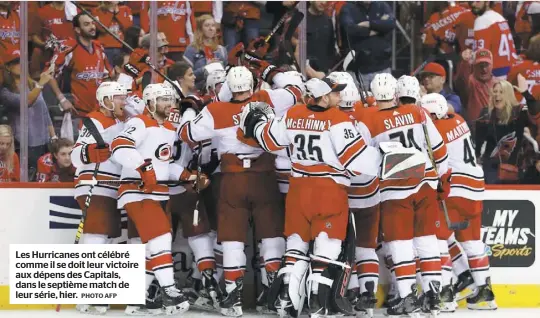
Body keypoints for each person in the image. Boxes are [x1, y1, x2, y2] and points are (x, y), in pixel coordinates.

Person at [178, 65, 303, 317]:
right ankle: (275, 295)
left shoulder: (215, 110)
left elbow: (186, 134)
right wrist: (270, 70)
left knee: (233, 238)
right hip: (265, 177)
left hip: (232, 179)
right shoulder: (267, 99)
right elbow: (295, 89)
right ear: (252, 85)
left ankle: (232, 298)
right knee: (272, 235)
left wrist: (190, 108)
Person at [354, 73, 450, 316]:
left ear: (375, 97)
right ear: (395, 94)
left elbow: (361, 162)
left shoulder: (367, 119)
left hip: (395, 189)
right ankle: (433, 297)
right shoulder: (419, 113)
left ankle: (408, 297)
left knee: (400, 244)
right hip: (426, 182)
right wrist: (441, 179)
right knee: (427, 240)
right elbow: (439, 150)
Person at [111, 83, 192, 315]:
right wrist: (142, 167)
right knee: (161, 237)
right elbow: (119, 147)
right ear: (150, 103)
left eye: (171, 100)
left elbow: (163, 164)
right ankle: (169, 291)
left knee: (150, 249)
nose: (170, 104)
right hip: (137, 191)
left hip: (157, 193)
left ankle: (138, 299)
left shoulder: (168, 128)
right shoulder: (139, 122)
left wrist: (187, 175)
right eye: (164, 100)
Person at [421, 93, 497, 311]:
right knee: (472, 242)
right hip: (475, 187)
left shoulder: (436, 129)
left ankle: (445, 294)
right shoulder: (458, 120)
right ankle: (485, 293)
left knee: (438, 240)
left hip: (456, 189)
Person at [70, 81, 129, 314]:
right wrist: (89, 152)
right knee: (95, 236)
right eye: (118, 98)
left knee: (107, 238)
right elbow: (76, 154)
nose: (123, 101)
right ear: (105, 100)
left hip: (113, 185)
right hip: (93, 184)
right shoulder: (94, 120)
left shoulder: (121, 120)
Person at [0, 52, 57, 180]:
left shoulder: (33, 85)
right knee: (27, 180)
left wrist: (53, 137)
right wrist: (41, 84)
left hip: (43, 142)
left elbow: (45, 112)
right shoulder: (5, 91)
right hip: (24, 144)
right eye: (16, 63)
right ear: (8, 67)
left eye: (23, 62)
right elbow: (26, 102)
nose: (21, 65)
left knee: (42, 179)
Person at [475, 80, 539, 184]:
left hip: (516, 166)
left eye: (501, 92)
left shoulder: (519, 111)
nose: (497, 95)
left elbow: (536, 111)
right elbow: (478, 142)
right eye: (495, 91)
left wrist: (526, 94)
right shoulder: (486, 115)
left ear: (509, 94)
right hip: (491, 167)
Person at [49, 12, 113, 115]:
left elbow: (108, 76)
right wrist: (62, 99)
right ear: (78, 30)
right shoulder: (69, 48)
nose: (92, 27)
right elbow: (48, 74)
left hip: (101, 111)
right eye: (86, 24)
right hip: (78, 112)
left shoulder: (99, 48)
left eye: (93, 23)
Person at [339, 1, 396, 88]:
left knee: (386, 100)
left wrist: (368, 24)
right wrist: (378, 29)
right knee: (359, 101)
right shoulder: (347, 8)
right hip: (358, 71)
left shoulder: (382, 5)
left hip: (382, 68)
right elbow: (350, 29)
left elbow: (390, 24)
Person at [466, 1, 518, 79]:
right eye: (472, 1)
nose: (473, 4)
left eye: (477, 1)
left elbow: (480, 54)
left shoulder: (482, 20)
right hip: (511, 69)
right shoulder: (499, 17)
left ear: (487, 2)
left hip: (495, 72)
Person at [183, 14, 227, 91]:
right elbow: (186, 76)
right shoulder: (191, 49)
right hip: (197, 90)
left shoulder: (221, 50)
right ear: (200, 29)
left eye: (213, 26)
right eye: (207, 26)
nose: (211, 28)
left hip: (218, 91)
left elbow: (226, 72)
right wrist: (207, 68)